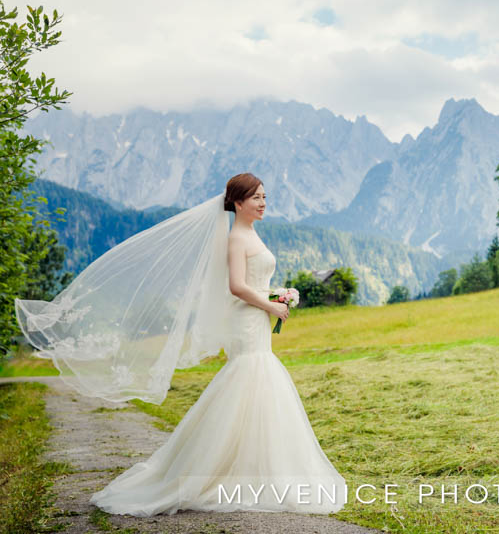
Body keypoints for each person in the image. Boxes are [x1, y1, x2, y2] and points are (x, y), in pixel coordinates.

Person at [15, 173, 347, 516]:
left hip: (256, 317)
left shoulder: (251, 234)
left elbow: (252, 282)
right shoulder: (236, 238)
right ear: (237, 202)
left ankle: (254, 465)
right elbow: (236, 286)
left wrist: (276, 295)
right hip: (247, 320)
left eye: (265, 197)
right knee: (250, 378)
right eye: (256, 198)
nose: (263, 203)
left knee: (256, 384)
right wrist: (271, 304)